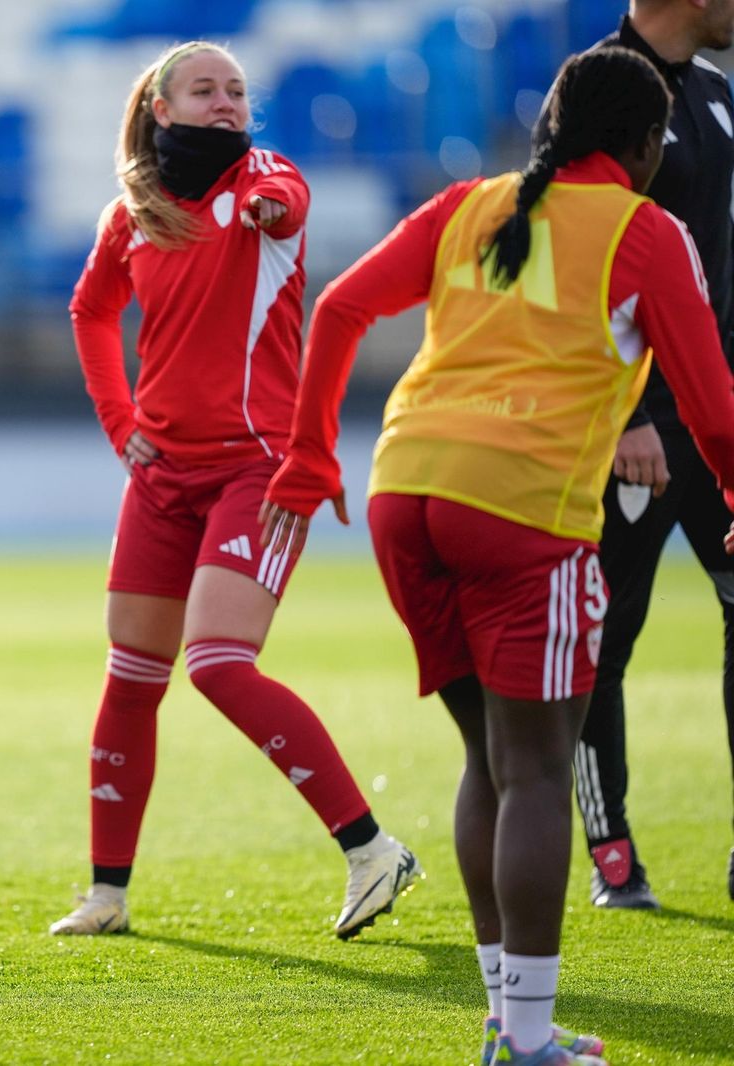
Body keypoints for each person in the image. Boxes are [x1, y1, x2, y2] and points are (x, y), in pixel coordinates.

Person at [262, 47, 734, 1066]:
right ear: (647, 146)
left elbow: (338, 307)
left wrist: (308, 455)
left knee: (490, 759)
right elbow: (713, 407)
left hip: (406, 490)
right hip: (521, 506)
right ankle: (525, 1041)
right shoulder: (646, 232)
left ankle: (506, 1020)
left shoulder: (468, 206)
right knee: (534, 768)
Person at [51, 39, 420, 942]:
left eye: (237, 90)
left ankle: (372, 848)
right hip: (160, 476)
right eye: (205, 90)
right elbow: (91, 310)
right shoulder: (130, 215)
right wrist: (119, 419)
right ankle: (106, 894)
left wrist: (264, 206)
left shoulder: (268, 180)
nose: (226, 102)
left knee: (216, 664)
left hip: (258, 470)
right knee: (131, 679)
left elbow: (283, 197)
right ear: (161, 110)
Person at [541, 0, 734, 911]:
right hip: (634, 430)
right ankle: (611, 849)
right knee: (606, 638)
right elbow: (561, 248)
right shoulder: (598, 86)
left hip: (717, 411)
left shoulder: (716, 95)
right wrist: (623, 417)